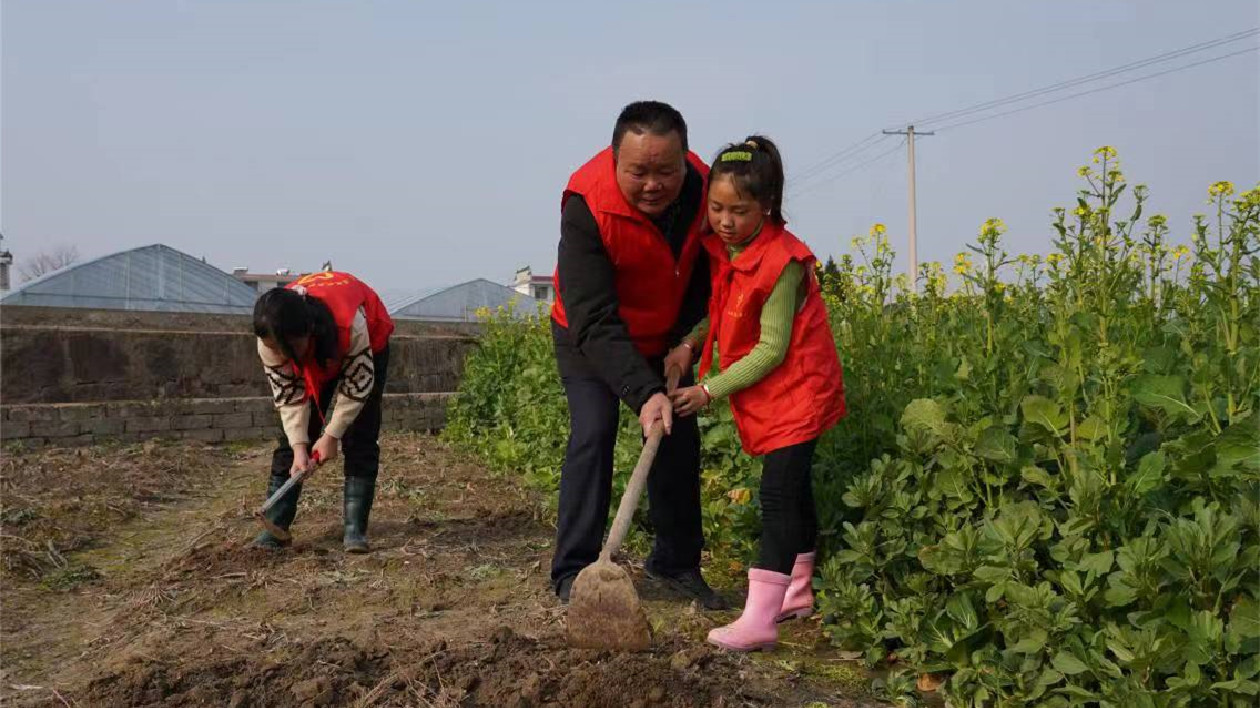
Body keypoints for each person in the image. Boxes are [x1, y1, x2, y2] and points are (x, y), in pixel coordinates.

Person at [669, 136, 846, 651]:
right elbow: (724, 311)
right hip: (772, 394)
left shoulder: (783, 262)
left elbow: (771, 349)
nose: (724, 221)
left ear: (766, 206)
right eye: (717, 208)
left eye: (739, 211)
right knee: (794, 490)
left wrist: (708, 390)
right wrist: (689, 342)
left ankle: (761, 618)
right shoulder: (732, 250)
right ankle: (796, 592)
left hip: (799, 389)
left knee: (777, 495)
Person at [549, 100, 726, 609]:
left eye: (665, 171)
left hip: (667, 337)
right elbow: (592, 316)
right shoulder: (587, 203)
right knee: (594, 430)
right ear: (614, 159)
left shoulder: (705, 192)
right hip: (592, 334)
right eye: (639, 172)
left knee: (677, 435)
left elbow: (714, 274)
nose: (653, 184)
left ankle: (676, 563)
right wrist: (643, 390)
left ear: (687, 161)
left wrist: (688, 341)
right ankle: (574, 570)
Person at [251, 270, 394, 553]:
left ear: (305, 332)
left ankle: (355, 530)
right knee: (289, 445)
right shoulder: (270, 340)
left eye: (284, 348)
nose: (278, 354)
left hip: (367, 345)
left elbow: (357, 387)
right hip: (318, 347)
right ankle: (276, 526)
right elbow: (289, 398)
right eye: (273, 348)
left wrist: (331, 435)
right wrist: (299, 446)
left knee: (361, 434)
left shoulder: (349, 324)